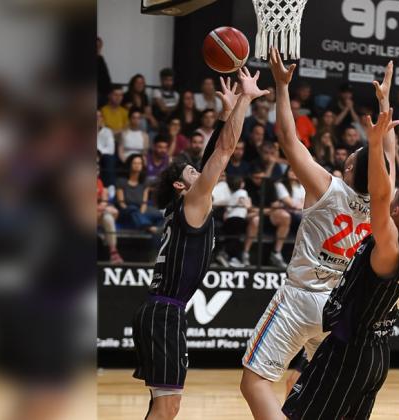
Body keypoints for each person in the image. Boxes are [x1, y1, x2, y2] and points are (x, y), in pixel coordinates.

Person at [240, 50, 399, 420]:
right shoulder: (384, 203)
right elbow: (388, 161)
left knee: (255, 383)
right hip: (338, 308)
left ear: (347, 166)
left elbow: (287, 137)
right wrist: (384, 107)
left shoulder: (327, 187)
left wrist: (282, 87)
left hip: (300, 297)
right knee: (329, 394)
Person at [282, 88, 399, 419]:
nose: (393, 195)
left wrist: (375, 144)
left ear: (398, 213)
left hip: (351, 351)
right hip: (378, 353)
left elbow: (378, 195)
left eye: (397, 197)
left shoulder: (389, 243)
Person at [132, 70, 265, 420]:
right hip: (165, 314)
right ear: (180, 186)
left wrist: (225, 113)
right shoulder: (193, 202)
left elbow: (210, 155)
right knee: (167, 407)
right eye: (191, 172)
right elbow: (221, 152)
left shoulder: (182, 208)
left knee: (160, 404)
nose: (199, 173)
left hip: (158, 311)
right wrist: (244, 104)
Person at [242, 164, 291, 268]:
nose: (259, 180)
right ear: (251, 176)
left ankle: (276, 252)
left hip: (267, 214)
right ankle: (245, 253)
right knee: (255, 219)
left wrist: (259, 210)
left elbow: (275, 206)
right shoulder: (247, 184)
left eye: (261, 177)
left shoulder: (269, 183)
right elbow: (248, 209)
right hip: (252, 216)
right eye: (256, 178)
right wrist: (259, 211)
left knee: (285, 216)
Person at [116, 154, 161, 234]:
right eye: (134, 163)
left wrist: (140, 213)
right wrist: (135, 211)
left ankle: (162, 234)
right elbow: (121, 203)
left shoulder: (145, 183)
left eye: (139, 163)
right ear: (129, 165)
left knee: (160, 214)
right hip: (125, 211)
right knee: (132, 208)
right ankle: (149, 228)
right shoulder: (121, 181)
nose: (137, 165)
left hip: (140, 210)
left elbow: (144, 203)